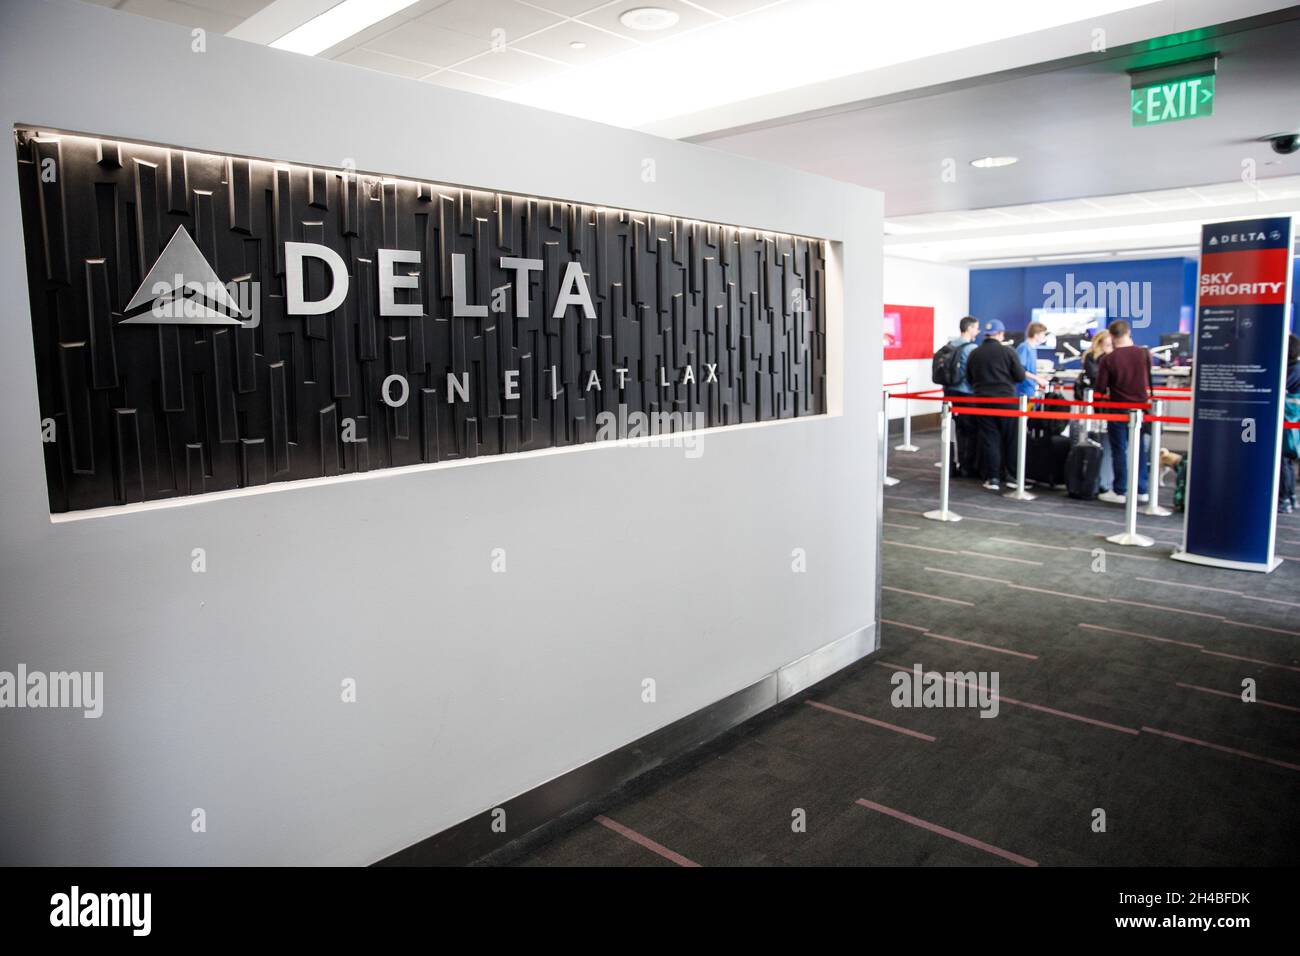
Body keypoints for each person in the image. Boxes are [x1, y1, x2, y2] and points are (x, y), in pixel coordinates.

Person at [965, 319, 1048, 492]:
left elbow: (969, 379)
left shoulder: (975, 353)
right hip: (1007, 402)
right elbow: (1019, 376)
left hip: (982, 402)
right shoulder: (1008, 352)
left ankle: (993, 478)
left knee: (990, 439)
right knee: (1011, 440)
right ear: (1001, 334)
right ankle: (1012, 477)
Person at [1095, 319, 1153, 504]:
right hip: (1142, 408)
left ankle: (1120, 490)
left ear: (1111, 337)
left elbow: (1100, 388)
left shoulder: (1109, 359)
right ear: (1128, 332)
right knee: (1140, 449)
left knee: (1120, 450)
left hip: (1118, 409)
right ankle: (1141, 489)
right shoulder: (1144, 354)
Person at [943, 316, 980, 477]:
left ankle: (950, 466)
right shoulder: (971, 348)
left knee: (950, 430)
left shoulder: (950, 345)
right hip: (966, 393)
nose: (978, 331)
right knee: (969, 431)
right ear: (970, 328)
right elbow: (973, 374)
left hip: (949, 392)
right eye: (976, 328)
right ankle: (966, 466)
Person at [1281, 333, 1300, 514]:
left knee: (1283, 460)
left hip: (1287, 421)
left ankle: (1284, 499)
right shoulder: (1293, 368)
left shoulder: (1293, 369)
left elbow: (1279, 387)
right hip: (1289, 421)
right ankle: (1289, 497)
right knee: (1285, 461)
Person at [1015, 322, 1049, 399]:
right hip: (1023, 389)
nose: (1044, 337)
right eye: (1043, 334)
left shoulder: (1033, 348)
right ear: (1036, 334)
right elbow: (1020, 370)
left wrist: (1040, 377)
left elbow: (1030, 370)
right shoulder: (1024, 348)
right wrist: (1038, 379)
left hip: (1030, 388)